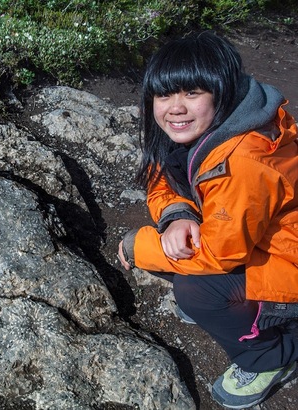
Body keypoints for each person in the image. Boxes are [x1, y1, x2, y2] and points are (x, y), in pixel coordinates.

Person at [118, 31, 298, 409]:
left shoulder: (243, 161)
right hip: (258, 241)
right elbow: (160, 173)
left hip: (289, 263)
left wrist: (140, 246)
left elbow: (220, 254)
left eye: (192, 93)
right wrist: (175, 214)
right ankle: (239, 310)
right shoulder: (209, 128)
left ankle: (270, 358)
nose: (175, 108)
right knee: (182, 253)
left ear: (222, 90)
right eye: (164, 94)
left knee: (197, 290)